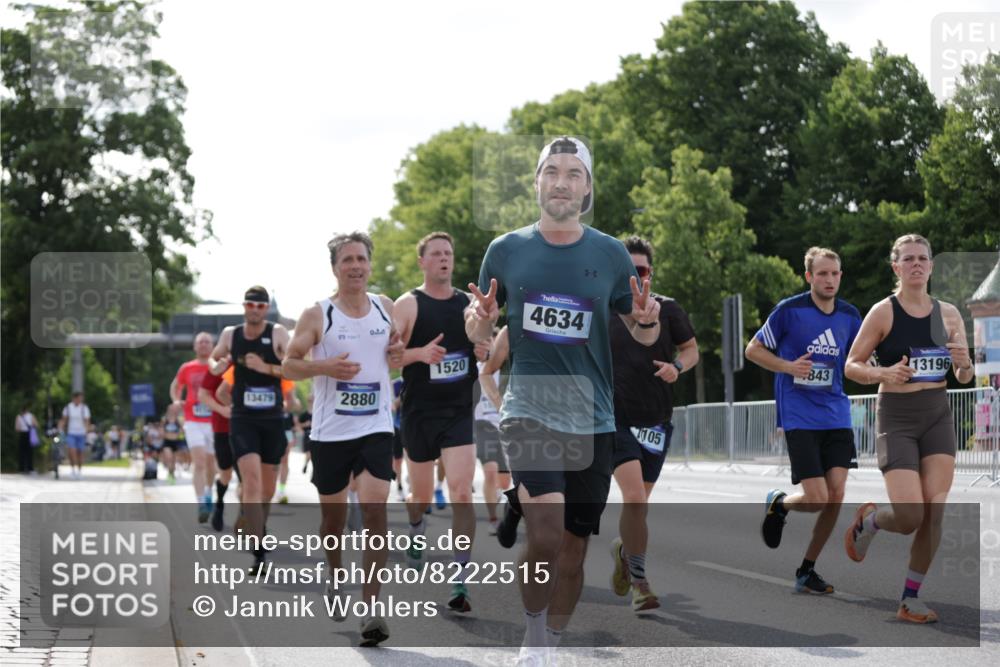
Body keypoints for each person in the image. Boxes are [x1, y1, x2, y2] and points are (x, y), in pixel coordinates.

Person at [467, 136, 660, 663]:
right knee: (546, 534)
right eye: (551, 171)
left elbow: (638, 333)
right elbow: (477, 325)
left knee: (574, 549)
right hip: (529, 409)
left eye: (573, 173)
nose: (561, 181)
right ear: (536, 182)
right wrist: (482, 316)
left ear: (588, 188)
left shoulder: (609, 252)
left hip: (593, 416)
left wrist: (646, 324)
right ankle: (532, 643)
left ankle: (550, 641)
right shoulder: (505, 250)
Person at [844, 234, 973, 623]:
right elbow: (851, 364)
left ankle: (909, 598)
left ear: (932, 266)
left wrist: (965, 362)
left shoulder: (949, 314)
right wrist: (883, 372)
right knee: (910, 516)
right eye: (908, 259)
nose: (917, 264)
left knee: (934, 513)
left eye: (923, 258)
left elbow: (964, 376)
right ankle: (870, 521)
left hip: (936, 415)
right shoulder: (883, 313)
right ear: (895, 267)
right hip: (897, 416)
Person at [283, 231, 403, 646]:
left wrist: (398, 356)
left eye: (361, 259)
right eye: (347, 260)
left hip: (376, 426)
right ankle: (336, 575)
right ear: (335, 268)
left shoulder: (386, 308)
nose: (355, 266)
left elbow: (395, 355)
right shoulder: (318, 315)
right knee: (333, 522)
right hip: (331, 432)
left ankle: (371, 610)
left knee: (375, 513)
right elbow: (288, 365)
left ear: (370, 264)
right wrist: (324, 368)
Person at [747, 246, 861, 595]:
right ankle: (780, 503)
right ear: (809, 276)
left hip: (836, 412)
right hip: (799, 414)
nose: (829, 279)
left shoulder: (850, 316)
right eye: (822, 273)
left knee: (836, 494)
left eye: (835, 273)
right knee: (817, 497)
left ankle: (807, 569)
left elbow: (861, 357)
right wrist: (788, 366)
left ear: (841, 276)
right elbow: (753, 350)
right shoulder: (789, 310)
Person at [608, 236, 698, 612]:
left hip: (657, 420)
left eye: (640, 270)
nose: (634, 276)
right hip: (613, 419)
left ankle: (623, 549)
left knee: (639, 506)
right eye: (626, 270)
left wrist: (676, 368)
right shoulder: (603, 311)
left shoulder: (669, 309)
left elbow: (690, 350)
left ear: (650, 273)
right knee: (634, 498)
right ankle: (641, 583)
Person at [393, 231, 479, 612]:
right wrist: (419, 354)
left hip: (459, 411)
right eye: (437, 254)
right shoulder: (408, 305)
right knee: (422, 497)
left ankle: (459, 579)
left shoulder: (469, 304)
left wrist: (485, 346)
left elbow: (486, 347)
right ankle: (416, 527)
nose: (445, 258)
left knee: (462, 492)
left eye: (449, 253)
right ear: (422, 262)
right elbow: (388, 359)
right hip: (419, 413)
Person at [209, 286, 290, 575]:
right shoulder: (231, 334)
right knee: (252, 482)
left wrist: (266, 367)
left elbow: (293, 368)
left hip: (272, 420)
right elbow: (215, 359)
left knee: (266, 490)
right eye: (250, 304)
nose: (254, 309)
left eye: (260, 305)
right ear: (244, 306)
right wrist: (217, 364)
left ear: (266, 308)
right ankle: (259, 553)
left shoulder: (278, 333)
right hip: (243, 419)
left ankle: (258, 524)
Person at [172, 332, 218, 521]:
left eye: (207, 342)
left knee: (210, 463)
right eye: (201, 342)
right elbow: (176, 385)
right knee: (198, 461)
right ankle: (200, 503)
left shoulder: (217, 366)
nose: (204, 345)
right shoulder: (187, 368)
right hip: (192, 420)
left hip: (214, 420)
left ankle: (208, 493)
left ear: (213, 345)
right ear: (195, 347)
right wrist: (176, 401)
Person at [476, 327, 512, 535]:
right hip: (482, 424)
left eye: (490, 340)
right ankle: (493, 518)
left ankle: (499, 494)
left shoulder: (505, 367)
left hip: (506, 425)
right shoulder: (473, 367)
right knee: (489, 471)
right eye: (481, 342)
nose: (485, 344)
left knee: (505, 480)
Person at [199, 364, 235, 532]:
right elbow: (203, 395)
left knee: (249, 478)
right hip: (223, 428)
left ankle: (248, 518)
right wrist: (222, 409)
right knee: (225, 475)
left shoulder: (256, 360)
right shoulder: (219, 366)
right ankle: (219, 503)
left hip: (249, 428)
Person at [59, 392, 91, 479]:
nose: (80, 400)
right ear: (74, 398)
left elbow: (87, 420)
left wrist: (87, 430)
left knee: (80, 453)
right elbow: (64, 419)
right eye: (79, 398)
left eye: (81, 398)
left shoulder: (84, 408)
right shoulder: (68, 407)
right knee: (72, 452)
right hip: (71, 433)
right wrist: (60, 428)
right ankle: (73, 470)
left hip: (81, 433)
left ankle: (79, 471)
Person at [161, 403, 183, 485]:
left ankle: (172, 474)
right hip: (167, 442)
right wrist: (167, 434)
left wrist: (177, 434)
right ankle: (169, 474)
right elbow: (162, 430)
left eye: (173, 409)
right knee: (169, 458)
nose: (172, 411)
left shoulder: (178, 420)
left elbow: (182, 430)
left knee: (173, 461)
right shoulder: (165, 420)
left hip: (176, 442)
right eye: (171, 409)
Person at [15, 405, 39, 474]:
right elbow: (36, 425)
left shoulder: (18, 417)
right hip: (29, 434)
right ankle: (30, 468)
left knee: (21, 452)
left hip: (22, 434)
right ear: (27, 410)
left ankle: (21, 469)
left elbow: (17, 428)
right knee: (30, 452)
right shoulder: (31, 416)